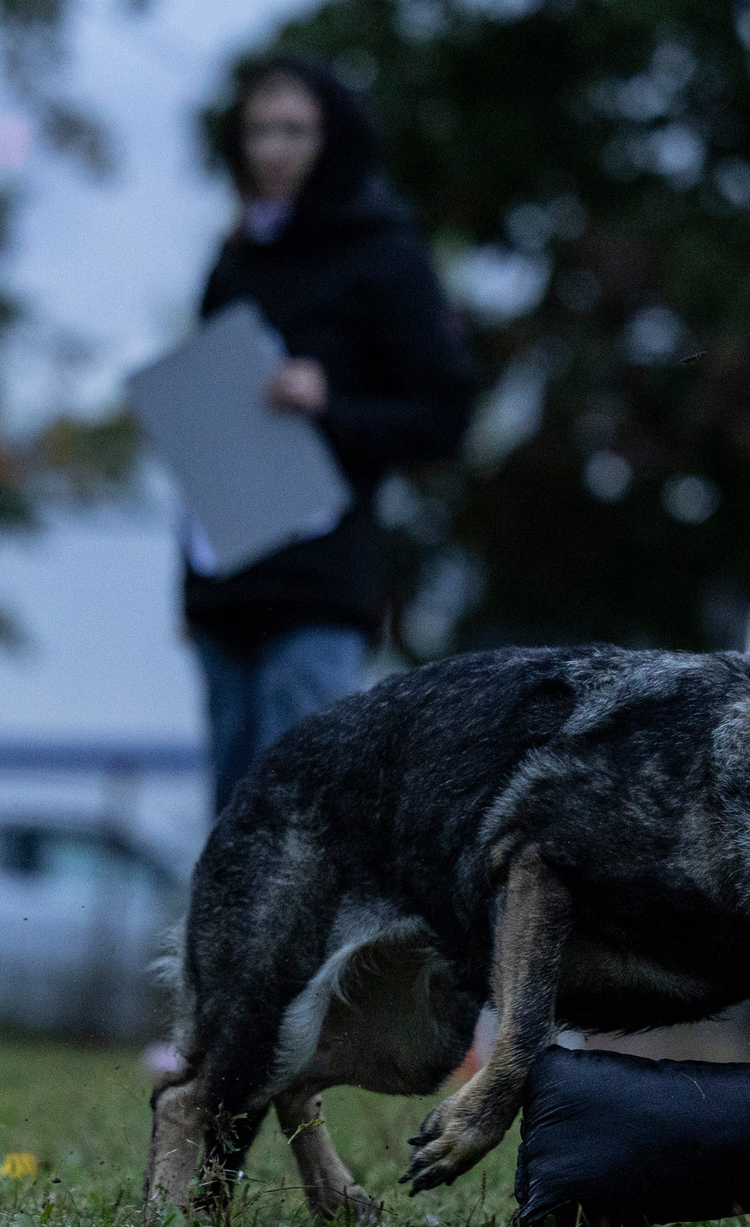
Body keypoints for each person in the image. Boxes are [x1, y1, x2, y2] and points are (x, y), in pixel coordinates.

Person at [186, 56, 477, 814]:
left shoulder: (386, 259)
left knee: (298, 821)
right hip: (227, 589)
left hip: (316, 590)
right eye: (257, 131)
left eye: (294, 130)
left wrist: (330, 404)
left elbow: (445, 416)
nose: (273, 149)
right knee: (231, 825)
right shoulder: (234, 265)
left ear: (334, 139)